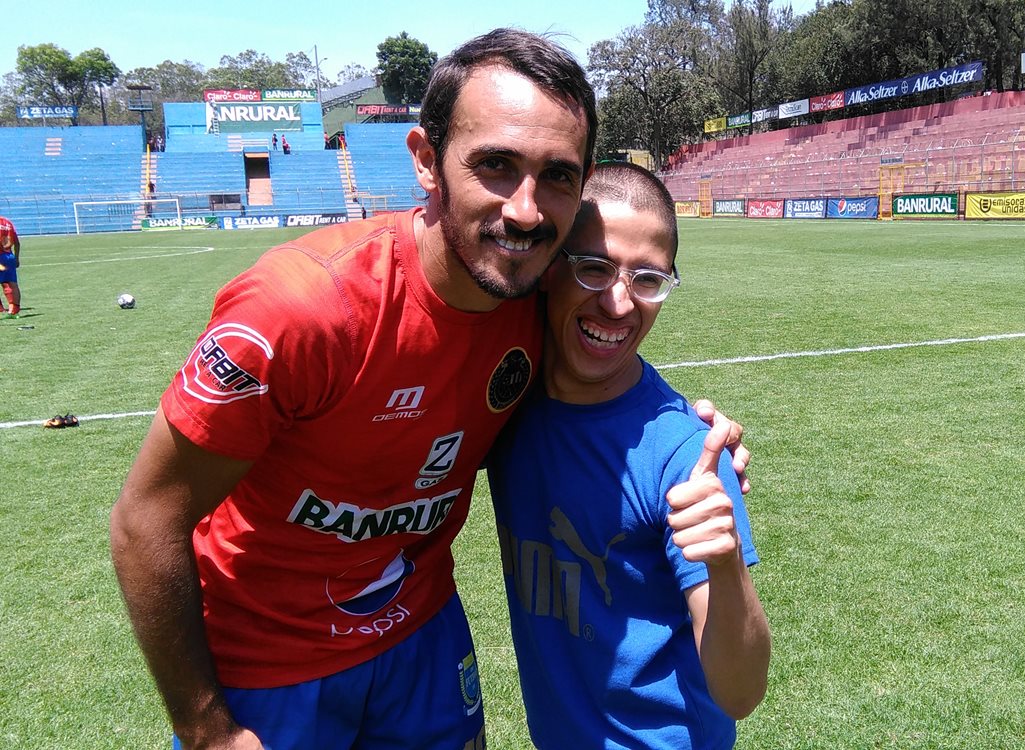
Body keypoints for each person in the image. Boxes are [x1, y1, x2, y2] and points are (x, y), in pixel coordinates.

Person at [110, 28, 745, 750]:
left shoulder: (531, 305)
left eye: (557, 175)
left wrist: (705, 446)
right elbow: (145, 518)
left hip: (422, 641)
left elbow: (606, 380)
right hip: (270, 667)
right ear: (425, 160)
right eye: (496, 166)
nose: (526, 210)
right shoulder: (299, 310)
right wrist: (205, 728)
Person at [488, 163, 770, 749]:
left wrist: (724, 562)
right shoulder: (504, 402)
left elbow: (741, 693)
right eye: (593, 269)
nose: (618, 304)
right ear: (548, 269)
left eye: (648, 279)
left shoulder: (684, 453)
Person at [0, 215, 21, 318]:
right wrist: (16, 258)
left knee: (6, 283)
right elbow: (17, 243)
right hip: (9, 257)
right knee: (12, 284)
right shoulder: (8, 222)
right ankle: (14, 310)